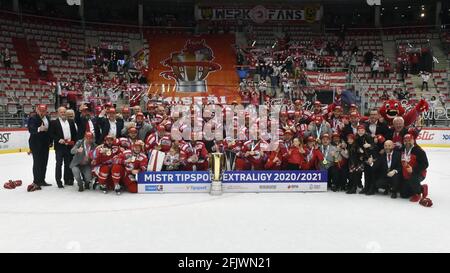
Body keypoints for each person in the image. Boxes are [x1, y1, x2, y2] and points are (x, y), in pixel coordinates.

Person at [49, 106, 77, 188]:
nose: (63, 113)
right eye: (61, 112)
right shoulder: (54, 123)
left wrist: (74, 144)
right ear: (58, 113)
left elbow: (74, 134)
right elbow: (51, 134)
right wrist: (58, 140)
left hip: (69, 146)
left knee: (68, 164)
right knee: (59, 164)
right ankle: (58, 181)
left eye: (64, 112)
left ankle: (67, 179)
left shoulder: (71, 121)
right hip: (59, 147)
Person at [27, 104, 52, 191]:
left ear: (46, 111)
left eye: (44, 111)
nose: (42, 112)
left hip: (45, 144)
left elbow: (50, 131)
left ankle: (42, 180)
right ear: (37, 110)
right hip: (36, 144)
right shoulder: (33, 118)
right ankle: (36, 181)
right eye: (40, 111)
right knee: (37, 163)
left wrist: (50, 141)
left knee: (44, 162)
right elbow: (30, 129)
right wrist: (39, 129)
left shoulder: (48, 118)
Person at [400, 134, 429, 203]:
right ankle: (422, 188)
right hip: (406, 175)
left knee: (413, 177)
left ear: (413, 141)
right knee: (404, 194)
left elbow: (425, 164)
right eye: (405, 141)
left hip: (418, 174)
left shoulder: (419, 151)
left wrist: (413, 169)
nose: (407, 142)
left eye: (409, 140)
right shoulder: (402, 150)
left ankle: (417, 194)